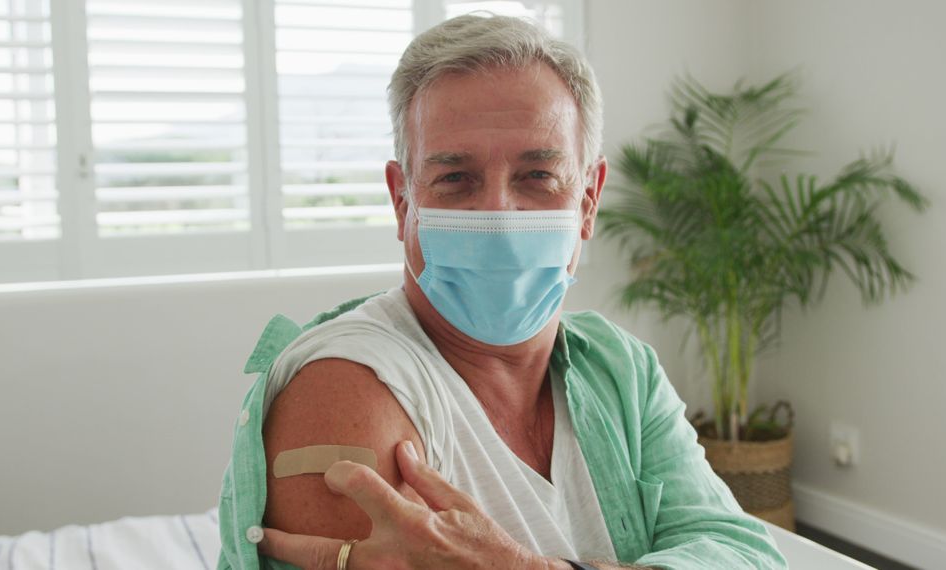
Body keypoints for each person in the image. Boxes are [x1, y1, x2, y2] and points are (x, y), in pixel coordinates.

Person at [217, 14, 787, 570]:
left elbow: (743, 551)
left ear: (588, 200)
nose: (498, 214)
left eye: (537, 176)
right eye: (455, 178)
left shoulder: (621, 370)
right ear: (402, 200)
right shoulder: (347, 386)